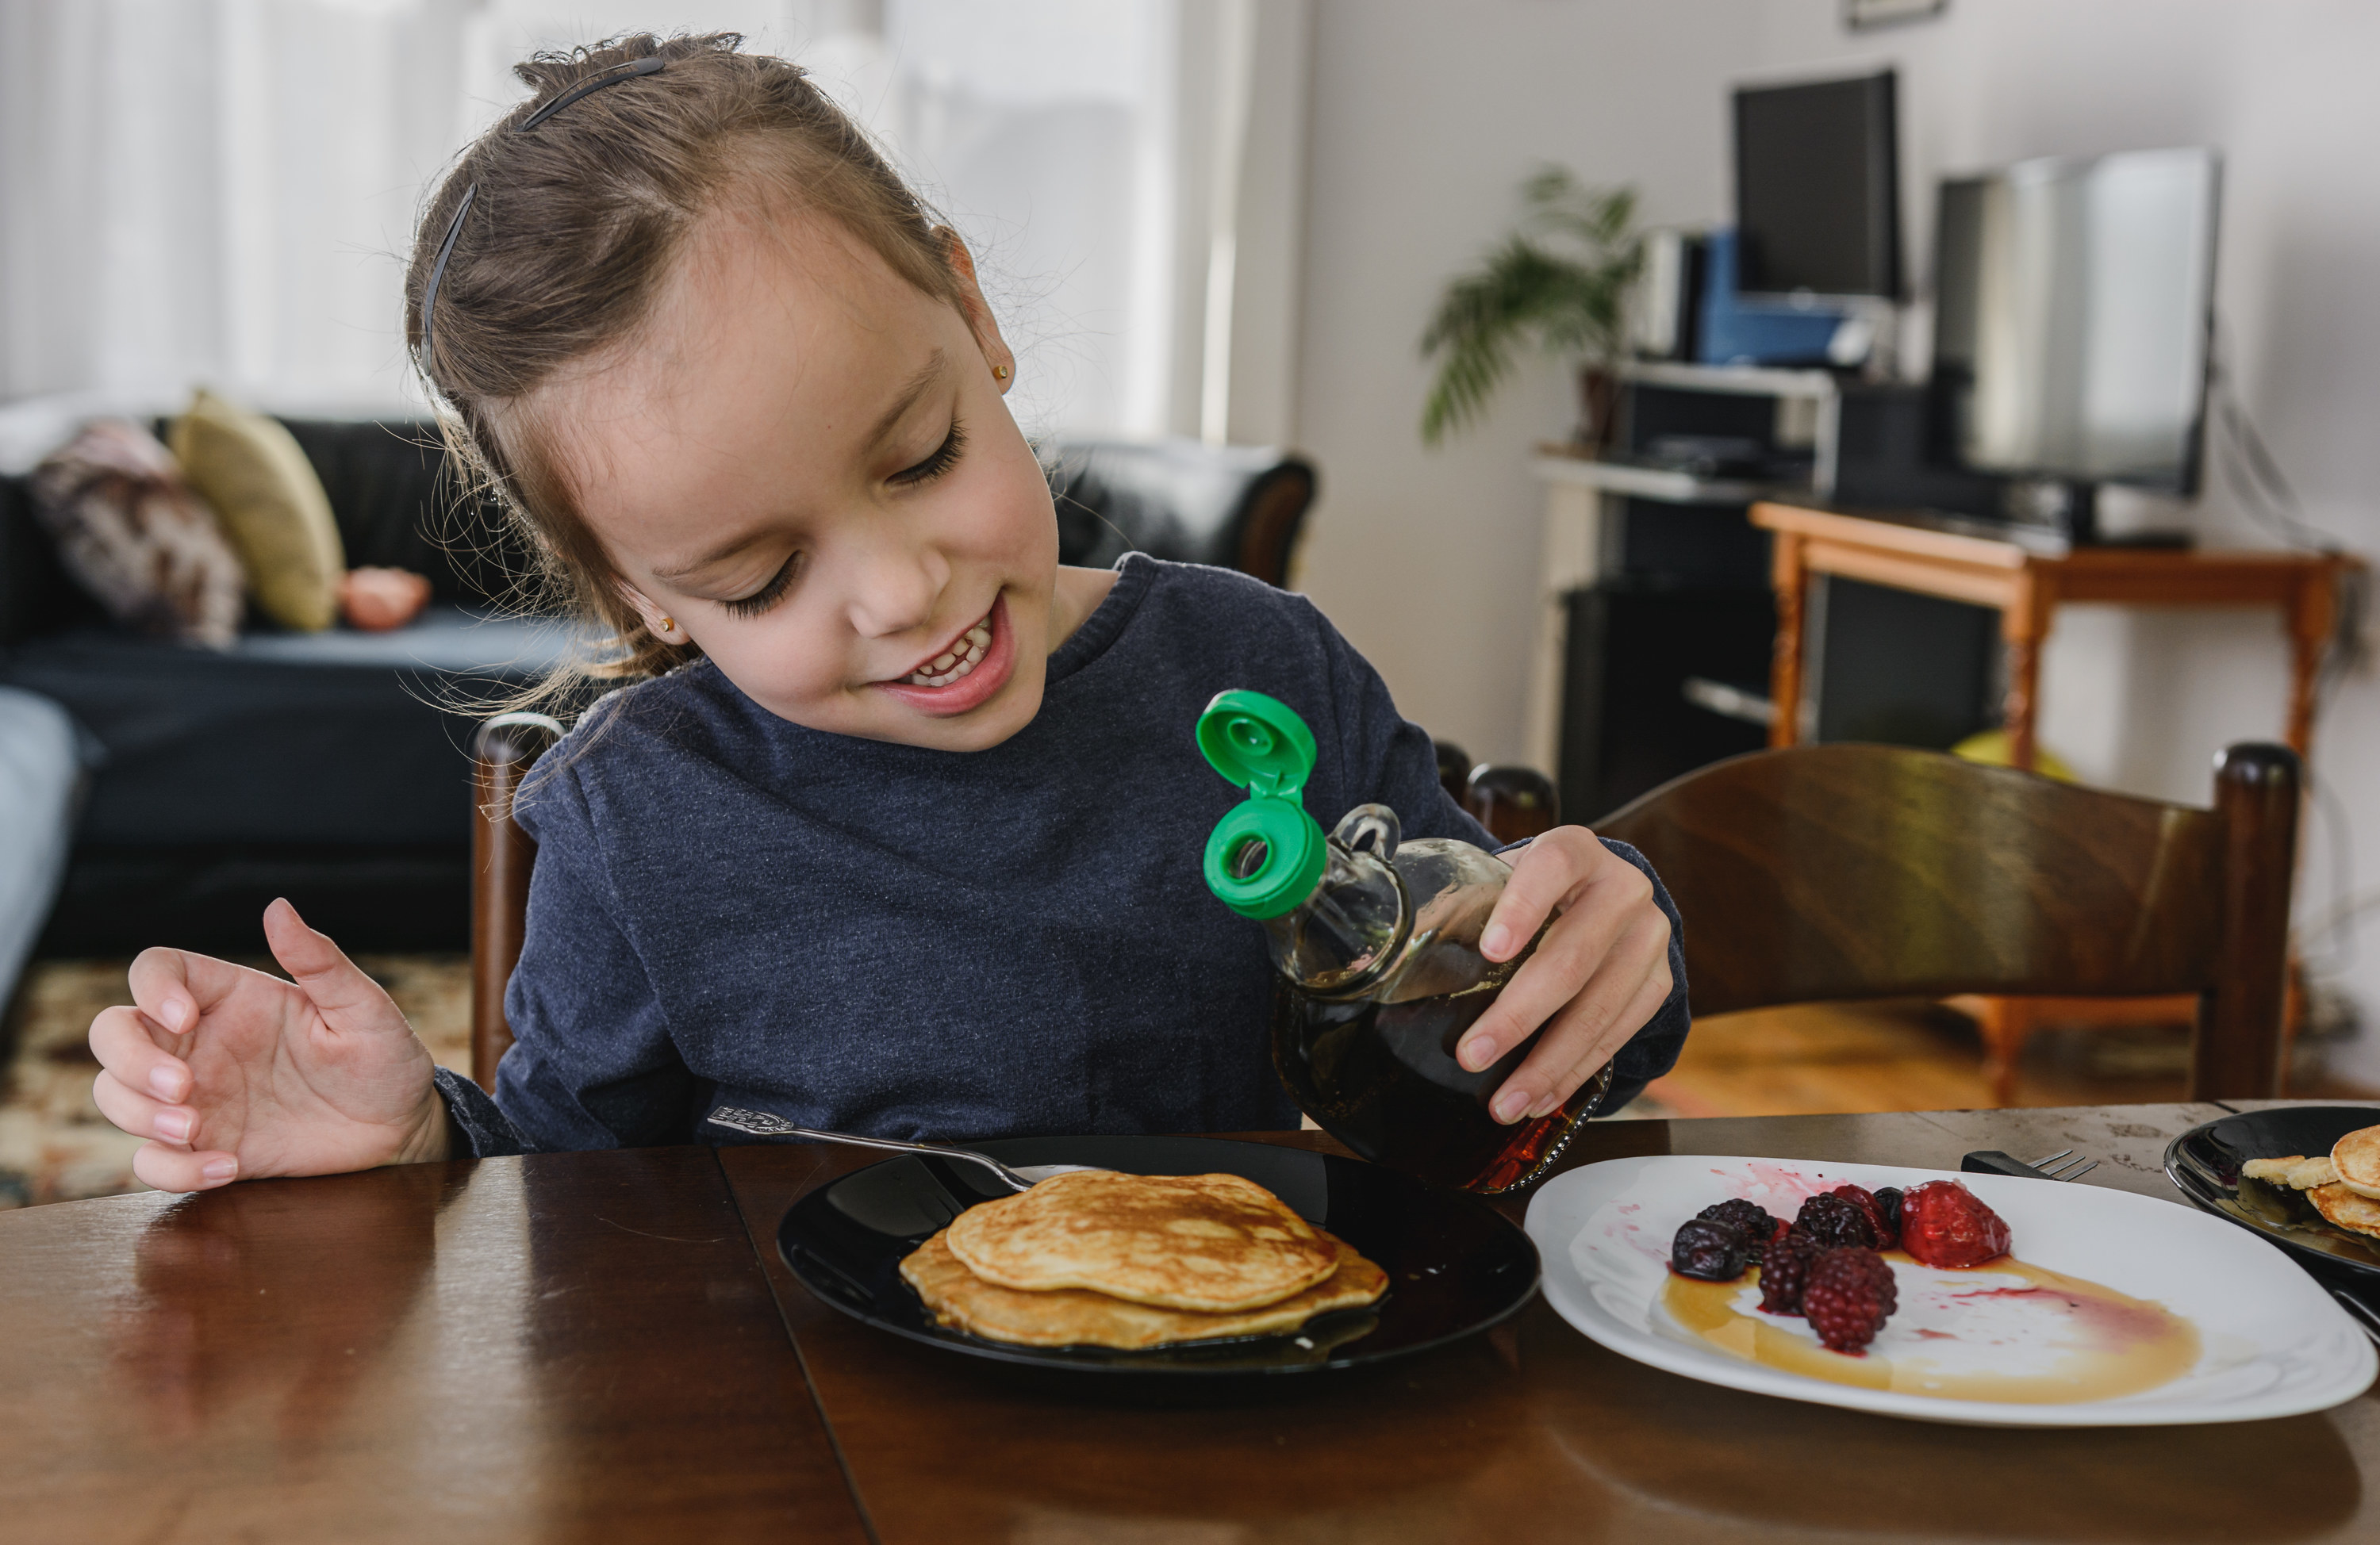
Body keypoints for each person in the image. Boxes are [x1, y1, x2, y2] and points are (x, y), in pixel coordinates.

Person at [85, 33, 1687, 1193]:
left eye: (919, 457)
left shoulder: (1267, 668)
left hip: (1259, 1431)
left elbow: (1495, 1007)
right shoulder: (636, 820)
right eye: (765, 577)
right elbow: (565, 1188)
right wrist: (416, 1137)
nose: (902, 590)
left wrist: (1607, 933)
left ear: (972, 311)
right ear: (642, 589)